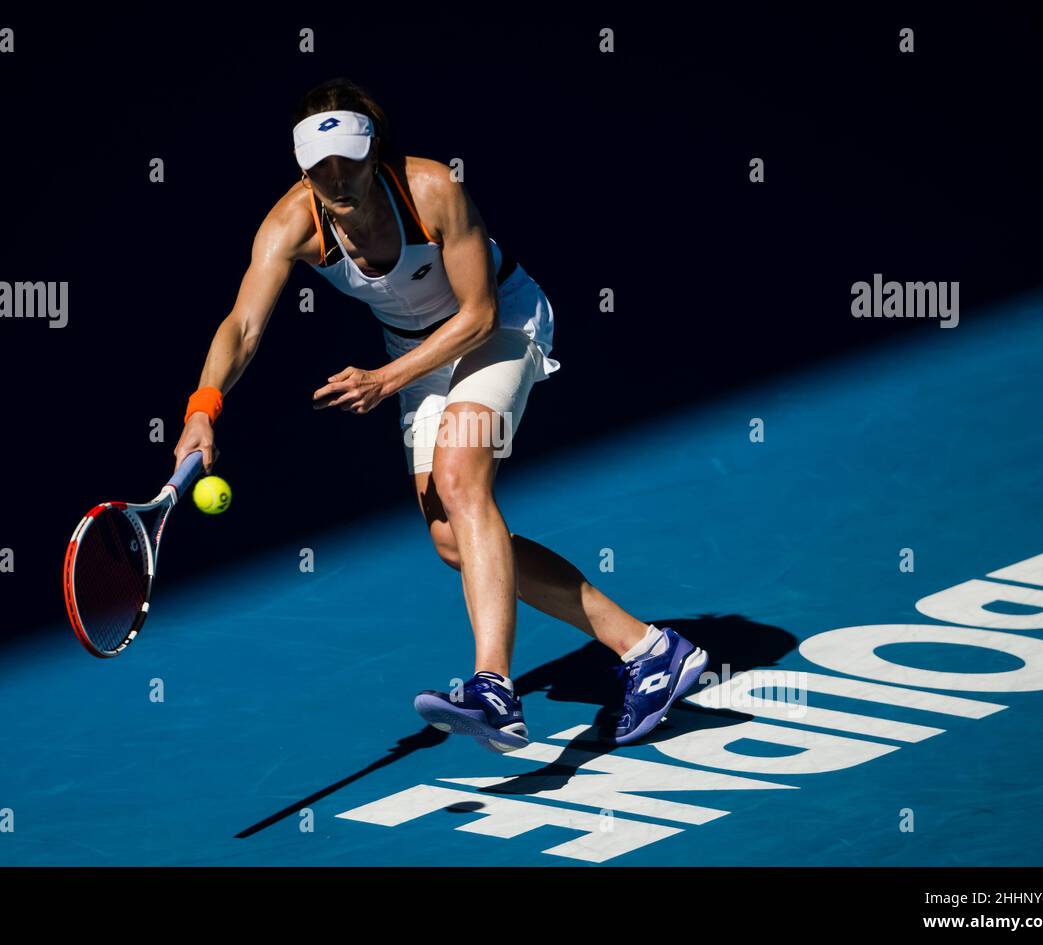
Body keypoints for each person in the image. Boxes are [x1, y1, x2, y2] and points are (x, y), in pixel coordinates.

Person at [173, 77, 706, 751]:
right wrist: (202, 408)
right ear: (303, 168)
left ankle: (493, 689)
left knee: (460, 480)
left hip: (501, 325)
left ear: (376, 154)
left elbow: (480, 314)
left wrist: (385, 380)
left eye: (350, 161)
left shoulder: (430, 191)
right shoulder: (288, 226)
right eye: (320, 166)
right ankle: (649, 649)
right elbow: (242, 327)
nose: (338, 179)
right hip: (414, 353)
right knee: (453, 539)